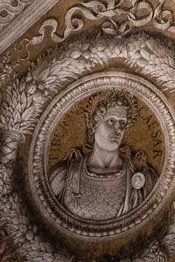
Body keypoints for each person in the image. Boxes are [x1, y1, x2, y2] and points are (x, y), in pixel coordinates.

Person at [46, 94, 152, 223]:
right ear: (94, 124)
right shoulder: (63, 175)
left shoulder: (142, 175)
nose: (118, 129)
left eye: (122, 123)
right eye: (111, 121)